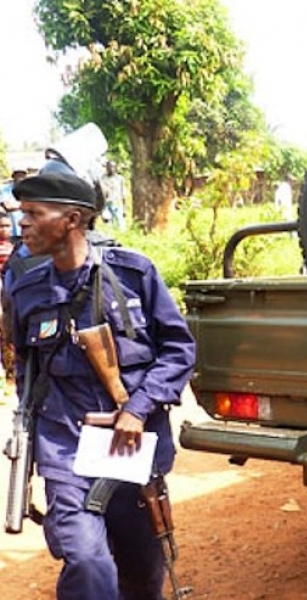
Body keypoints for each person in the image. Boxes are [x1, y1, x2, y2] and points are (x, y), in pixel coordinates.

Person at [9, 171, 196, 599]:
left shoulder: (133, 274)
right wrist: (34, 431)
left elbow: (179, 350)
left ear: (72, 219)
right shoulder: (27, 291)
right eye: (23, 214)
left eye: (35, 214)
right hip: (66, 450)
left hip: (127, 446)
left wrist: (138, 408)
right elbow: (26, 369)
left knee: (142, 578)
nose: (24, 223)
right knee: (89, 562)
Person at [98, 160, 127, 230]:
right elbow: (101, 193)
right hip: (106, 205)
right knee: (108, 227)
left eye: (113, 167)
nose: (111, 168)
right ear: (106, 168)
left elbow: (123, 194)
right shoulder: (102, 179)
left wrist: (124, 209)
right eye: (109, 167)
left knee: (121, 225)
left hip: (117, 204)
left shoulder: (120, 179)